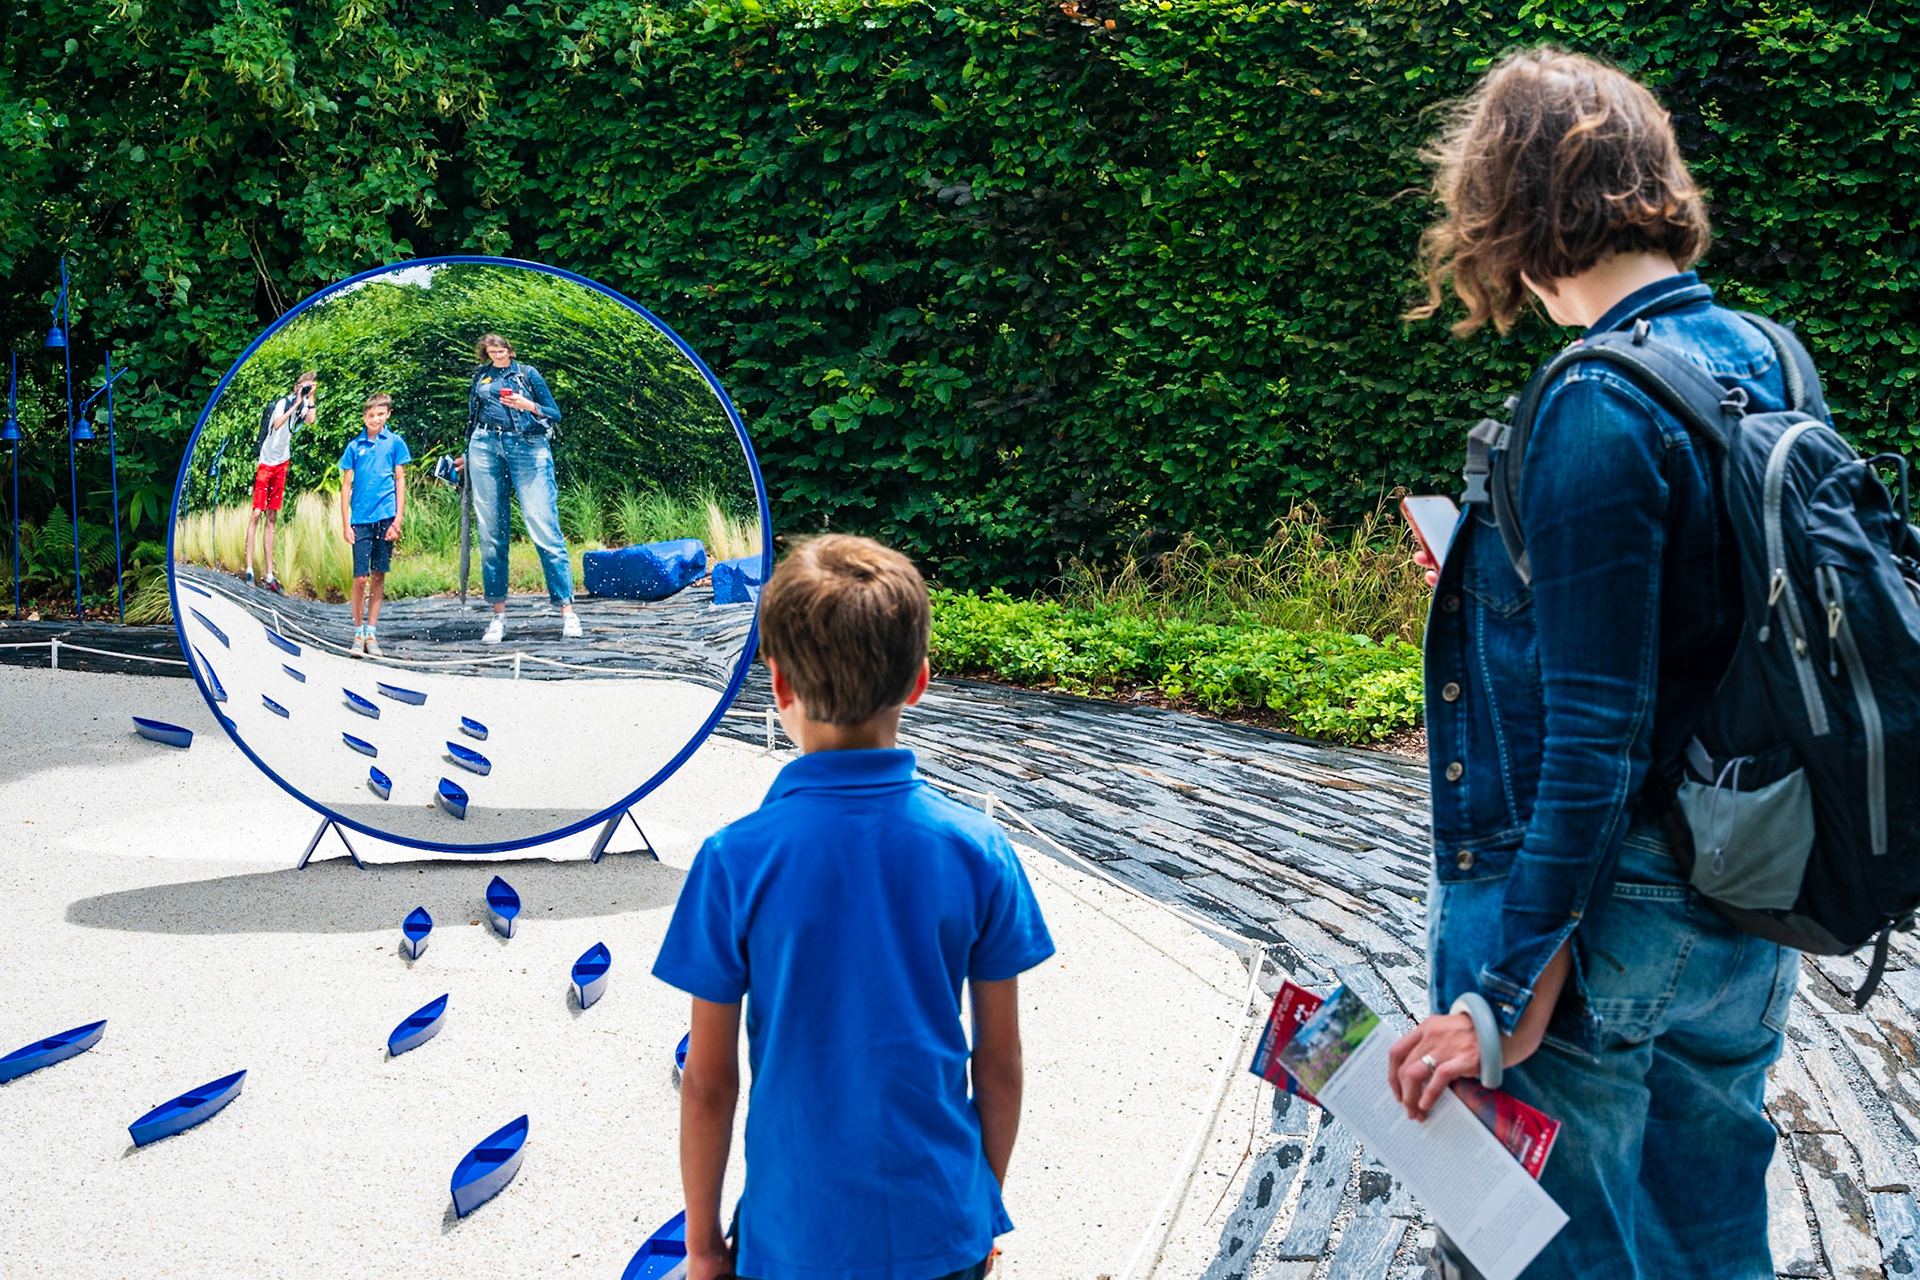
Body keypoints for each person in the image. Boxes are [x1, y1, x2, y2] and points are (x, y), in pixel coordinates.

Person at [1387, 49, 1805, 1278]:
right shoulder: (1769, 355)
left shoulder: (1594, 399)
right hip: (1748, 901)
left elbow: (1597, 739)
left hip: (1605, 924)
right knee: (1716, 1230)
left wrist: (1502, 994)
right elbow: (1722, 614)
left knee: (1553, 1249)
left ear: (1511, 210)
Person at [654, 534, 1054, 1280]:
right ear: (919, 681)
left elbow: (709, 1084)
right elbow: (998, 1063)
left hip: (793, 1236)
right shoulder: (979, 849)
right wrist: (976, 1205)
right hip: (943, 1222)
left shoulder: (733, 861)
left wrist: (705, 1247)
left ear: (776, 687)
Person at [460, 333, 582, 643]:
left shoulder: (528, 374)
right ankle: (498, 615)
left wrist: (527, 404)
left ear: (510, 350)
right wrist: (466, 453)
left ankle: (567, 612)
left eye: (502, 350)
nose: (498, 354)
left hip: (527, 446)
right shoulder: (481, 376)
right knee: (490, 534)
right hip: (484, 445)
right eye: (492, 351)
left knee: (543, 527)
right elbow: (473, 417)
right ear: (485, 353)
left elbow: (554, 413)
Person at [337, 393, 411, 659]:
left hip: (386, 516)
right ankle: (357, 631)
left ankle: (372, 632)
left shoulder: (394, 443)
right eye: (371, 415)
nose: (375, 419)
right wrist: (346, 523)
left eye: (380, 414)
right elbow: (346, 486)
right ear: (364, 417)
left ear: (387, 415)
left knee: (379, 575)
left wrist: (398, 519)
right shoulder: (354, 447)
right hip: (360, 519)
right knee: (360, 578)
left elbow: (400, 480)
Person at [245, 370, 317, 591]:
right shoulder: (281, 403)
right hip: (266, 462)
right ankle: (249, 568)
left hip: (282, 463)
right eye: (303, 387)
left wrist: (310, 398)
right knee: (257, 512)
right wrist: (296, 403)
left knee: (272, 516)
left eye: (308, 387)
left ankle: (268, 574)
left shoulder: (306, 404)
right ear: (296, 386)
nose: (304, 390)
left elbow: (311, 421)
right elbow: (277, 424)